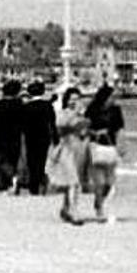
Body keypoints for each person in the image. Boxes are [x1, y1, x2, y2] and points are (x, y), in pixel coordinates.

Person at [82, 82, 125, 220]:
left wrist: (121, 145)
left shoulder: (116, 110)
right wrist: (95, 132)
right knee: (99, 181)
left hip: (110, 146)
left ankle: (98, 201)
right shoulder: (93, 109)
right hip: (95, 146)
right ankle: (100, 209)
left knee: (109, 183)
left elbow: (120, 129)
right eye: (112, 96)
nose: (114, 99)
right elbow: (84, 127)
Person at [48, 87, 89, 223]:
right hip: (66, 150)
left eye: (77, 99)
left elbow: (84, 132)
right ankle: (73, 211)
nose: (74, 101)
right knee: (74, 182)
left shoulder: (81, 115)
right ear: (67, 100)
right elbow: (60, 128)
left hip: (79, 150)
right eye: (72, 99)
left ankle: (66, 208)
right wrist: (75, 115)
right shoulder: (63, 113)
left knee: (71, 182)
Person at [19, 80, 57, 195]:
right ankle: (40, 181)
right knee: (41, 160)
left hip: (30, 137)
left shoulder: (26, 107)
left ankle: (33, 185)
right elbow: (52, 123)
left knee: (31, 160)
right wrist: (55, 137)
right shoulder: (47, 106)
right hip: (44, 137)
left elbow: (22, 124)